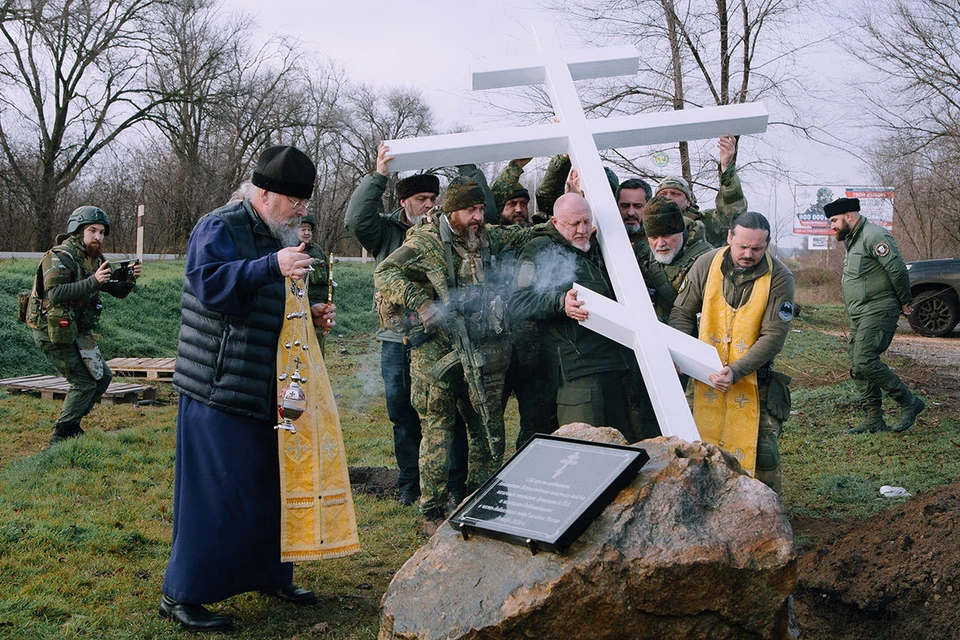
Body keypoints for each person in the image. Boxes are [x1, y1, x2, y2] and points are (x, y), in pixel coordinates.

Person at [161, 145, 336, 632]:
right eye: (294, 201)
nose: (302, 210)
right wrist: (270, 267)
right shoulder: (219, 226)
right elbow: (209, 285)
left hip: (269, 385)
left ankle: (270, 575)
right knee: (214, 495)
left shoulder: (277, 234)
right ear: (262, 192)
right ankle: (182, 594)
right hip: (218, 386)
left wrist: (311, 314)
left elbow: (270, 299)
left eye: (305, 201)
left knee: (269, 487)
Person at [374, 178, 535, 536]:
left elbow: (524, 236)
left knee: (487, 427)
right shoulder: (426, 241)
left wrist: (560, 224)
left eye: (481, 210)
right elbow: (385, 272)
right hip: (435, 349)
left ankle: (481, 500)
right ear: (451, 211)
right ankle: (431, 509)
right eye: (470, 210)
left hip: (479, 348)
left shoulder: (487, 236)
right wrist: (422, 302)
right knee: (438, 430)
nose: (478, 217)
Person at [344, 142, 469, 508]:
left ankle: (454, 483)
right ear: (404, 203)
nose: (429, 205)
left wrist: (462, 162)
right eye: (421, 199)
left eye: (433, 197)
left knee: (450, 411)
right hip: (396, 339)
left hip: (441, 338)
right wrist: (379, 175)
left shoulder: (446, 232)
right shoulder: (386, 233)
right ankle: (409, 484)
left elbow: (483, 212)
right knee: (403, 413)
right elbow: (356, 220)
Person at [669, 212, 794, 495]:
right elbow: (681, 312)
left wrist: (737, 370)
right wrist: (682, 354)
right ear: (729, 237)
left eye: (757, 249)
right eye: (742, 246)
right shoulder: (706, 264)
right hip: (703, 379)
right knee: (694, 450)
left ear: (767, 245)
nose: (748, 254)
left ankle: (765, 519)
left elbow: (774, 336)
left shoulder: (781, 277)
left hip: (754, 382)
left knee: (763, 457)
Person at [511, 193, 639, 443]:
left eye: (586, 222)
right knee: (585, 450)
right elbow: (518, 302)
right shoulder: (539, 250)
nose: (583, 230)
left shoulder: (601, 246)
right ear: (556, 222)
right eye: (574, 225)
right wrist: (561, 303)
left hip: (616, 365)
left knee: (622, 449)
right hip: (578, 372)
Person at [28, 206, 141, 444]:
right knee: (84, 381)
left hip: (76, 328)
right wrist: (93, 281)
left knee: (102, 379)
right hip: (51, 329)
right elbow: (56, 293)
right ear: (78, 231)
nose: (98, 237)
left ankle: (72, 424)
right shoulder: (59, 256)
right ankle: (61, 435)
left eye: (101, 232)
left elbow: (116, 291)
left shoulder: (95, 260)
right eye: (92, 231)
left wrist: (129, 278)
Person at [825, 197, 925, 434]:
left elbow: (897, 268)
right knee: (857, 365)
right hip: (860, 313)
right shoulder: (854, 239)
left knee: (865, 360)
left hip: (878, 309)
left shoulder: (873, 235)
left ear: (849, 216)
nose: (832, 226)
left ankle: (909, 402)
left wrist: (904, 300)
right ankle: (874, 419)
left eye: (834, 220)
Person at [655, 135, 747, 247]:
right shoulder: (644, 227)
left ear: (688, 201)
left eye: (675, 193)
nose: (668, 197)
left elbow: (732, 212)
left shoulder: (706, 223)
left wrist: (726, 168)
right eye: (662, 194)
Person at [642, 195, 713, 323]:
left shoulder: (707, 262)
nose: (660, 243)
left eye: (667, 235)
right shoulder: (646, 256)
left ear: (681, 231)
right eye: (654, 237)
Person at [296, 214, 331, 349]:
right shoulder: (290, 250)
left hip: (319, 311)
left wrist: (328, 304)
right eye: (302, 229)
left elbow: (329, 280)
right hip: (299, 310)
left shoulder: (318, 252)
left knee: (316, 350)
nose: (306, 233)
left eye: (309, 230)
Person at [616, 177, 654, 263]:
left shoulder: (658, 241)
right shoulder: (605, 236)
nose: (631, 213)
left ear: (648, 206)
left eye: (637, 206)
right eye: (625, 206)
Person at [490, 158, 533, 226]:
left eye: (523, 203)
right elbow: (498, 193)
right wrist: (515, 167)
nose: (519, 210)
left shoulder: (537, 232)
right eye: (512, 204)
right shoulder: (490, 234)